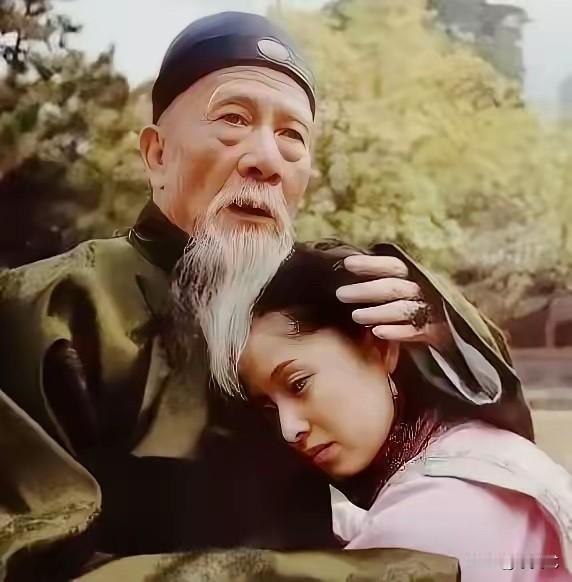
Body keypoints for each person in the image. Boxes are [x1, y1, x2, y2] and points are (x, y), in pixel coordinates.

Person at [0, 10, 529, 581]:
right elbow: (31, 562)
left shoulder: (323, 290)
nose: (268, 161)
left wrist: (440, 326)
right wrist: (371, 574)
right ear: (156, 154)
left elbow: (482, 427)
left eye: (292, 137)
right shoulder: (51, 308)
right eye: (233, 119)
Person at [238, 244, 572, 582]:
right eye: (268, 408)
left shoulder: (436, 513)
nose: (288, 429)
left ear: (380, 348)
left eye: (298, 384)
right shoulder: (472, 449)